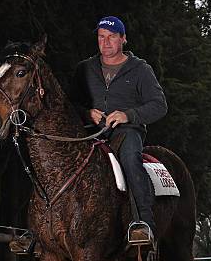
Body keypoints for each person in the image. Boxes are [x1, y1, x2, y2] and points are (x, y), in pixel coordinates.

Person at [70, 16, 167, 245]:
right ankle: (40, 230)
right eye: (101, 37)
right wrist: (87, 113)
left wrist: (128, 115)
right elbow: (69, 104)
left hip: (127, 132)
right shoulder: (84, 69)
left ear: (123, 39)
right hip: (90, 133)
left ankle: (144, 224)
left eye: (112, 37)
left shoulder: (140, 69)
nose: (106, 42)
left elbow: (159, 105)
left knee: (131, 160)